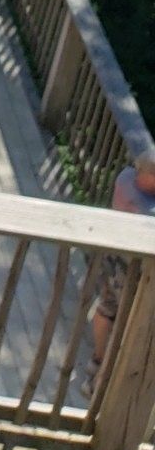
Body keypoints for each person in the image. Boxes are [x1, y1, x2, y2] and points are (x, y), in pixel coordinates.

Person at [91, 147, 155, 382]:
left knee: (105, 309)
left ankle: (96, 361)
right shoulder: (147, 210)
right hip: (130, 272)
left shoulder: (125, 178)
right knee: (127, 324)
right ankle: (108, 375)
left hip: (110, 256)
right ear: (149, 177)